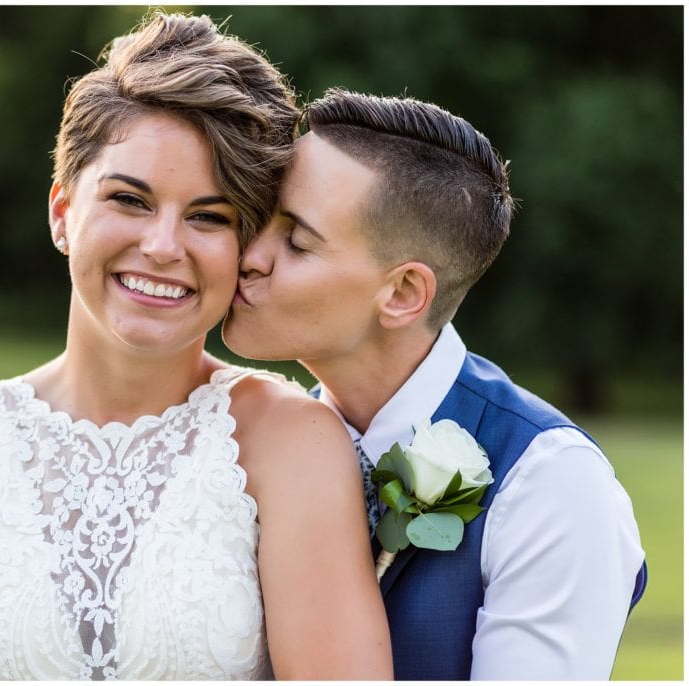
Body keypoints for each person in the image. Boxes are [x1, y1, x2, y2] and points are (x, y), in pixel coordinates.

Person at [0, 14, 392, 681]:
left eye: (209, 216)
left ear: (244, 248)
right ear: (62, 211)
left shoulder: (293, 443)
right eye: (130, 200)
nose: (164, 247)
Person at [222, 89, 646, 680]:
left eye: (296, 241)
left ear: (401, 294)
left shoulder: (551, 484)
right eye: (260, 218)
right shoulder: (244, 446)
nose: (248, 255)